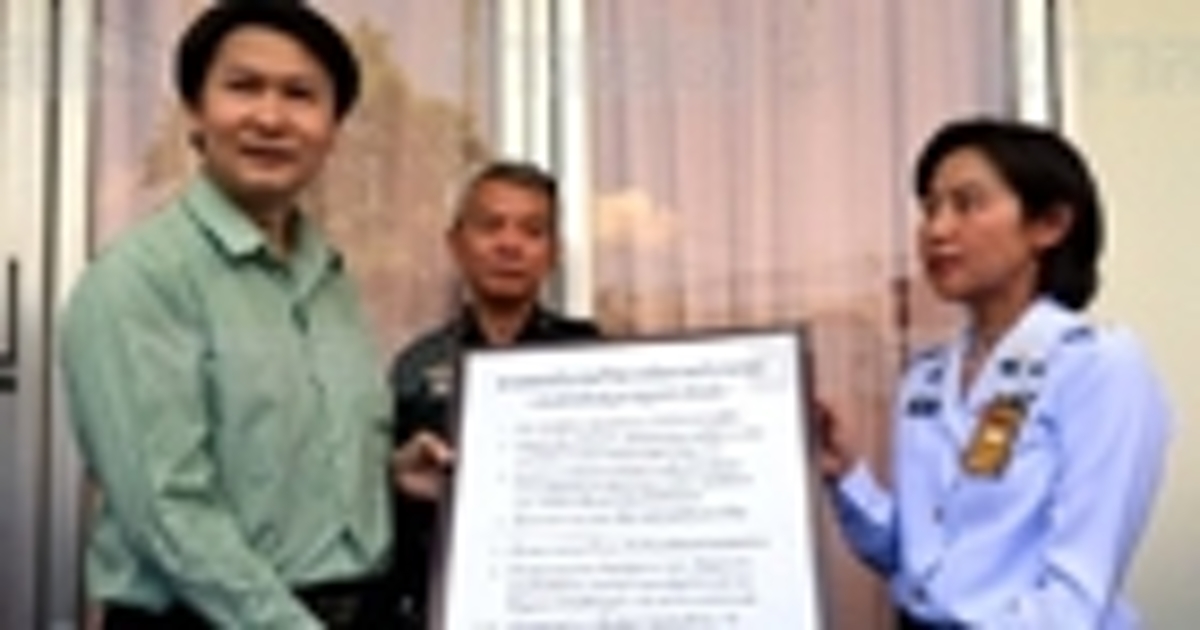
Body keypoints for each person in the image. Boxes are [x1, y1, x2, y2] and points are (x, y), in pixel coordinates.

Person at [58, 2, 393, 628]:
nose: (270, 117)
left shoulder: (330, 280)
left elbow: (288, 463)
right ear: (194, 112)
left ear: (332, 130)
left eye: (300, 95)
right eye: (243, 87)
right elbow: (169, 511)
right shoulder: (141, 280)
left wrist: (391, 472)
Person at [815, 118, 1172, 629]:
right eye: (930, 208)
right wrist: (847, 474)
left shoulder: (1096, 366)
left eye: (967, 204)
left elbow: (1075, 596)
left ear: (1049, 225)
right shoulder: (926, 379)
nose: (937, 230)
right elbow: (918, 564)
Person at [385, 161, 601, 628]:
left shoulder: (592, 358)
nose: (509, 244)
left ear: (553, 253)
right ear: (456, 244)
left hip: (566, 599)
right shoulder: (416, 368)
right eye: (491, 226)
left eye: (532, 231)